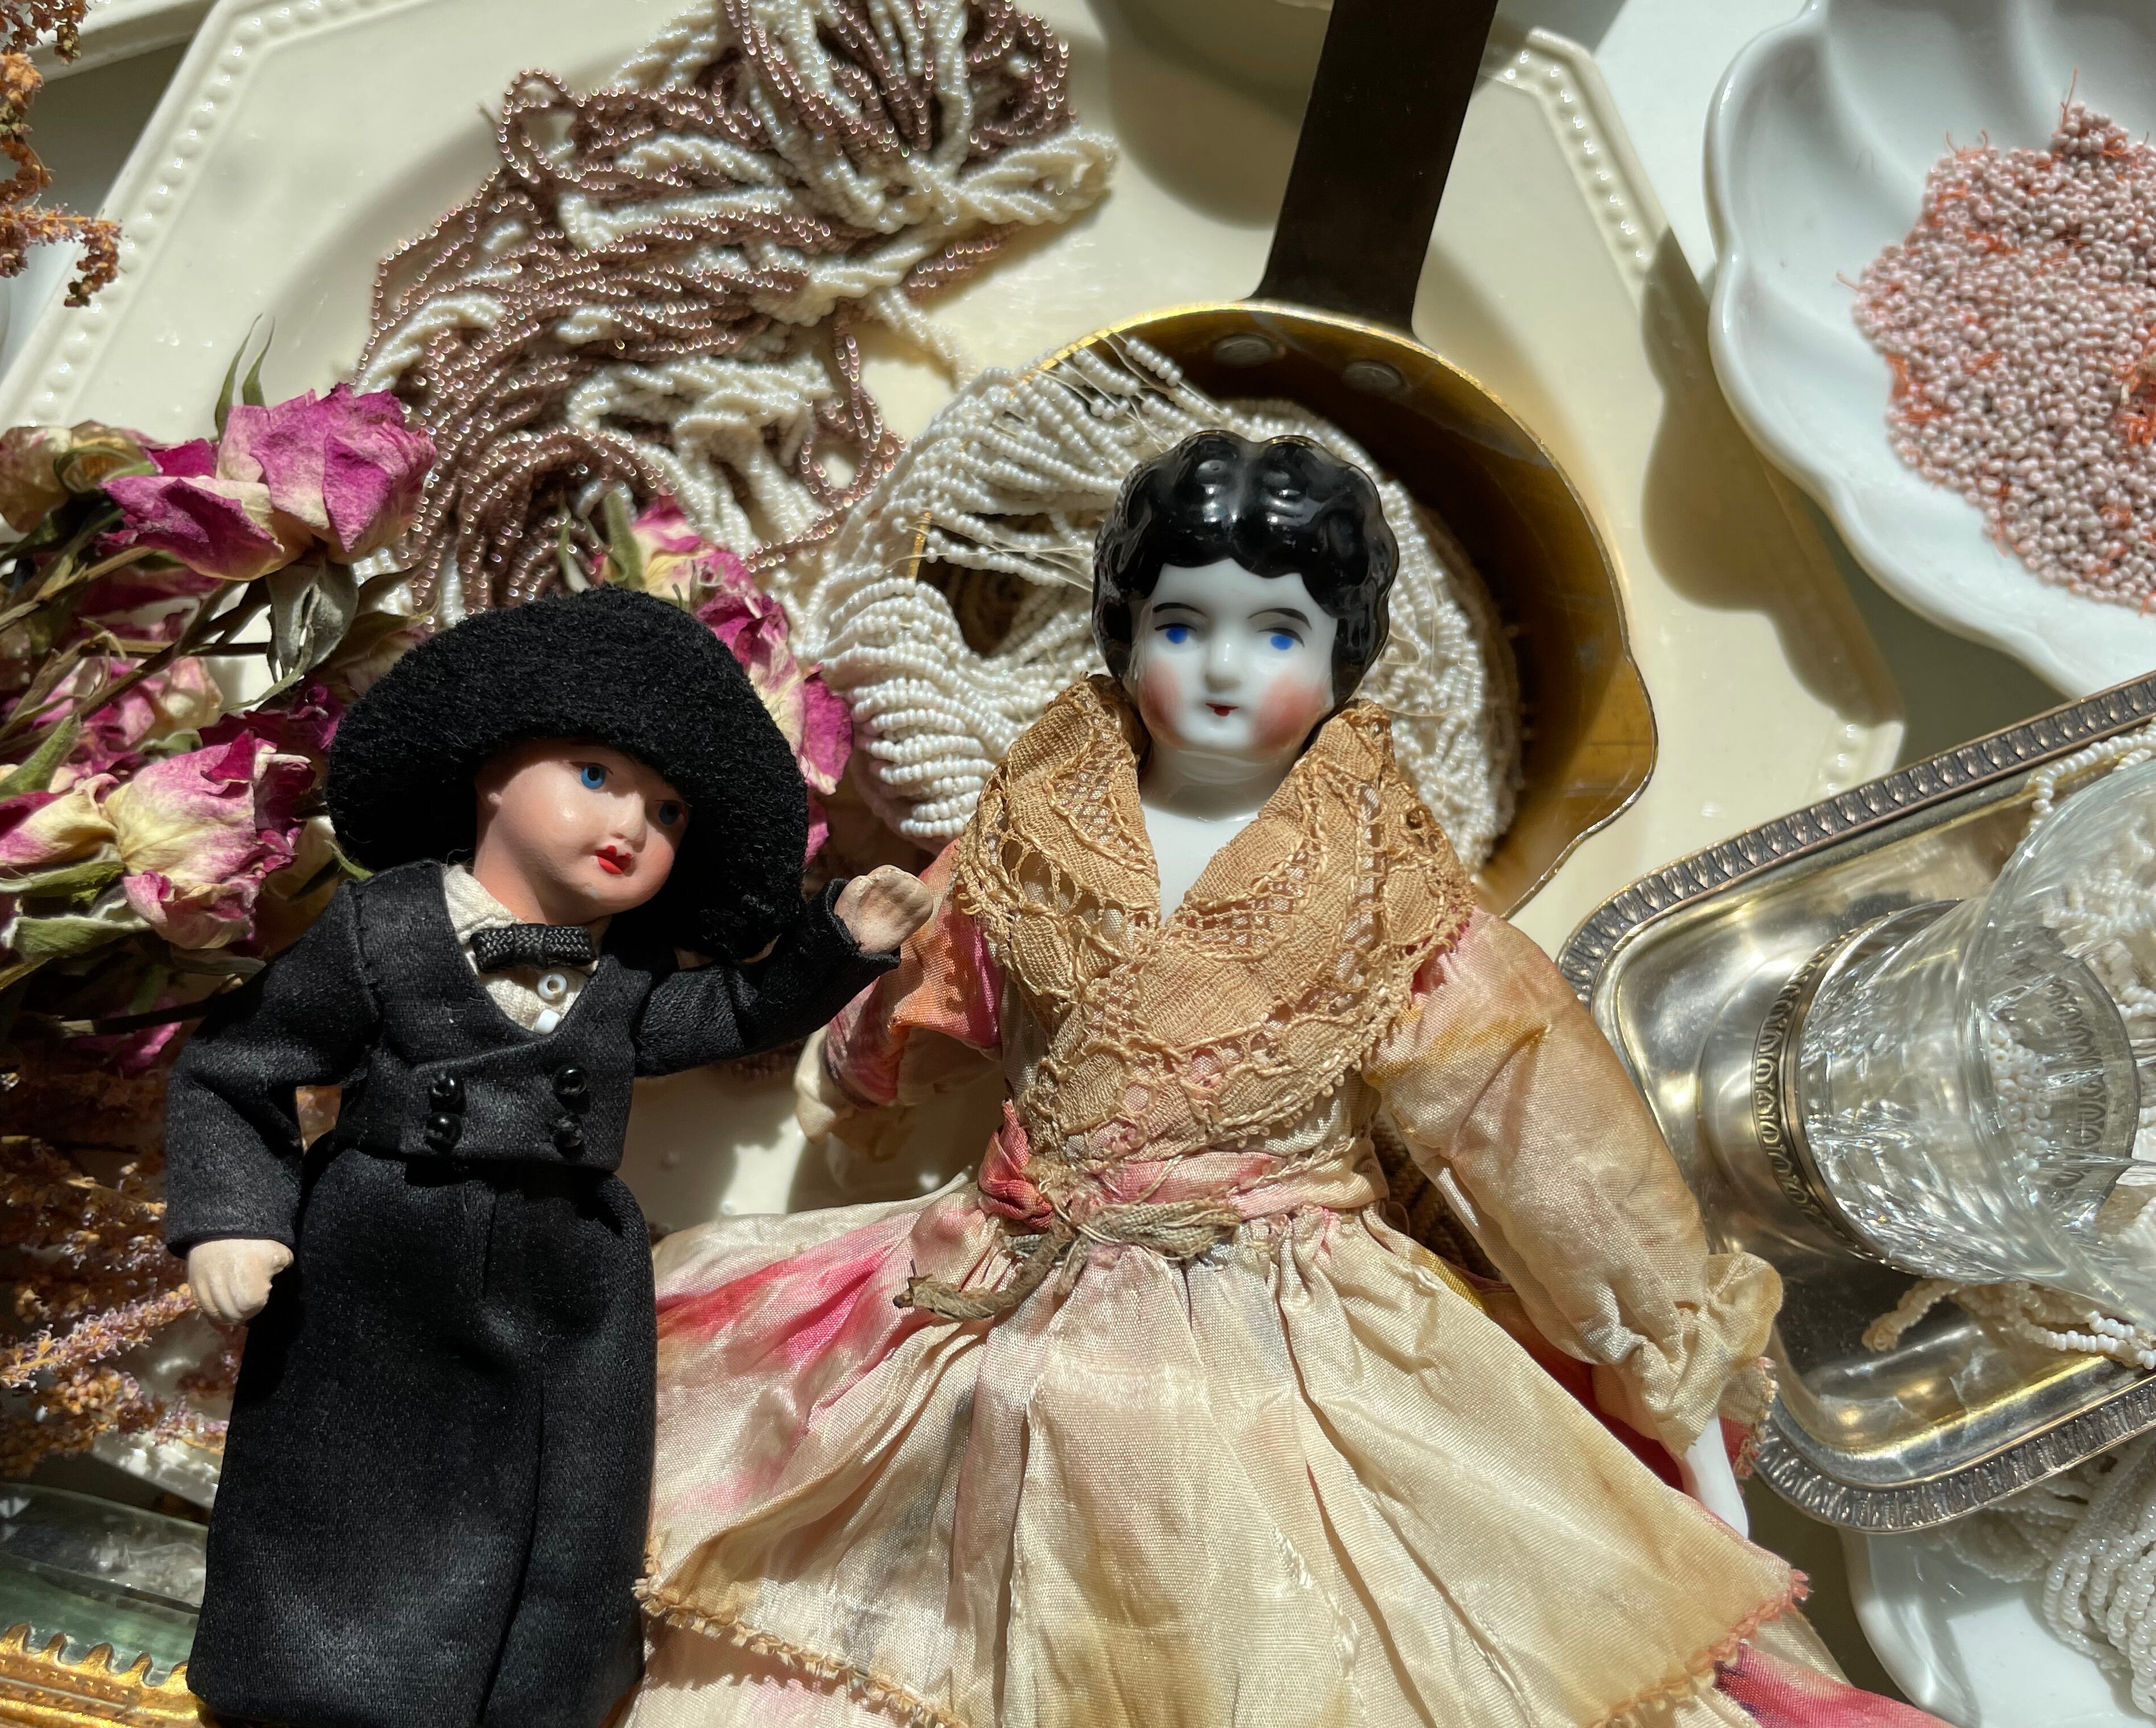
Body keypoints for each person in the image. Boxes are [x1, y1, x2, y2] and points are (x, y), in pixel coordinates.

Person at [623, 432, 1947, 1727]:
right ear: (1123, 631)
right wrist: (863, 1069)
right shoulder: (1041, 821)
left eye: (1276, 635)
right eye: (1180, 624)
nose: (1220, 668)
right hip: (1012, 1272)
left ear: (1339, 658)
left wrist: (1658, 1341)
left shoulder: (1385, 891)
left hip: (1290, 1320)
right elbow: (945, 964)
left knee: (1313, 1623)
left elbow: (1532, 1115)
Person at [162, 583, 933, 1728]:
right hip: (376, 1254)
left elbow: (733, 1012)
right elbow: (240, 1064)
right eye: (595, 775)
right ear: (491, 770)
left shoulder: (629, 979)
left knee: (567, 1499)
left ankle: (536, 1699)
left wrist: (840, 947)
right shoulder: (381, 929)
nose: (632, 824)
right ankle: (298, 1682)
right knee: (340, 1481)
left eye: (668, 811)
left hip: (569, 1271)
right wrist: (234, 1216)